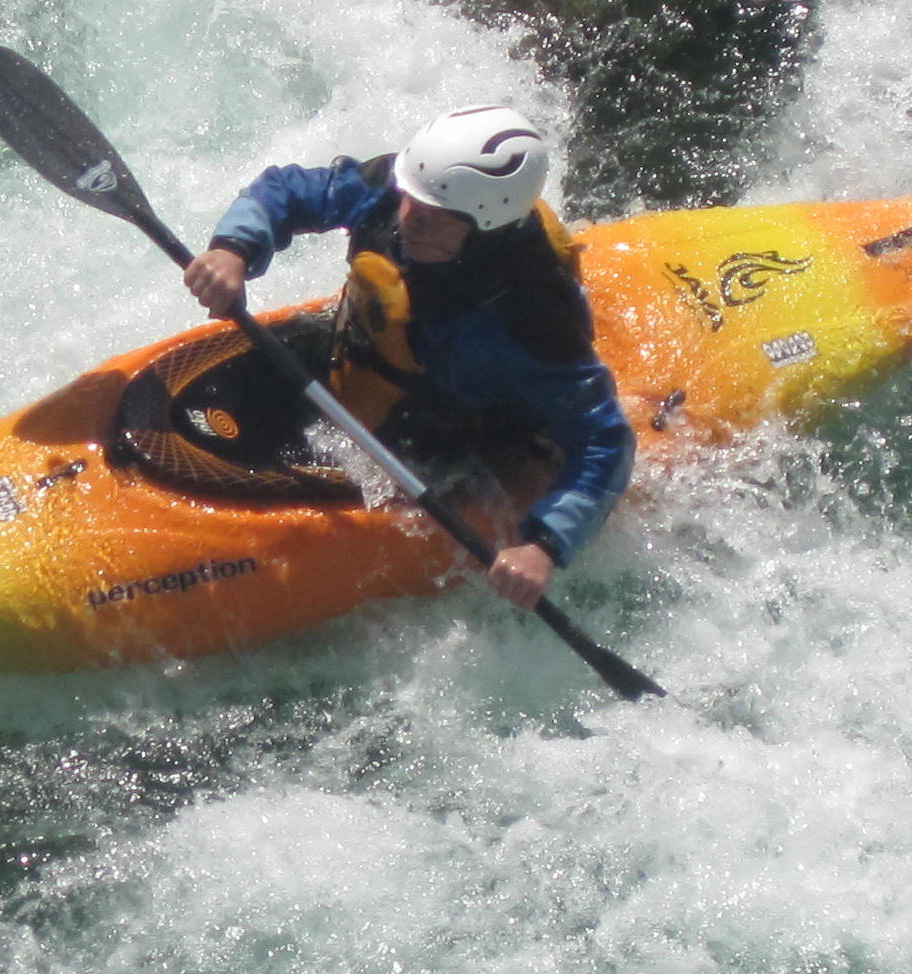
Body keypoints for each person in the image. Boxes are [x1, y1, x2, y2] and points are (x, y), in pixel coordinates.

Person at [183, 105, 633, 611]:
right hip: (353, 363)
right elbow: (286, 190)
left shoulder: (531, 323)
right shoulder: (402, 189)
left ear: (484, 230)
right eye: (411, 200)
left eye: (432, 215)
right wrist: (233, 249)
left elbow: (604, 443)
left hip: (443, 444)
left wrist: (545, 546)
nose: (408, 218)